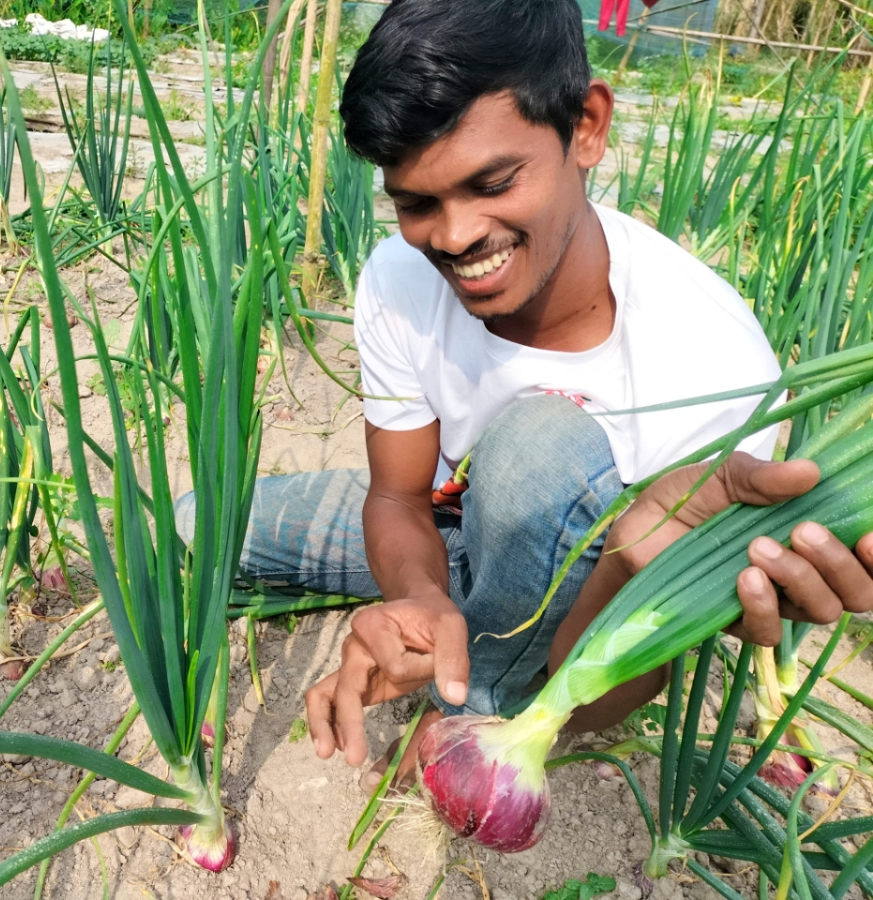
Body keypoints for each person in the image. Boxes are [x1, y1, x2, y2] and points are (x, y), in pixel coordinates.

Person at [177, 0, 873, 792]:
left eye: (494, 182)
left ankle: (479, 694)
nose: (454, 236)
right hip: (456, 525)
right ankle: (464, 614)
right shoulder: (400, 281)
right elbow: (399, 496)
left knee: (542, 447)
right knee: (200, 522)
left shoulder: (712, 364)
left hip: (580, 580)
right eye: (416, 203)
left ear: (586, 126)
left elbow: (609, 685)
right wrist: (419, 597)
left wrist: (620, 566)